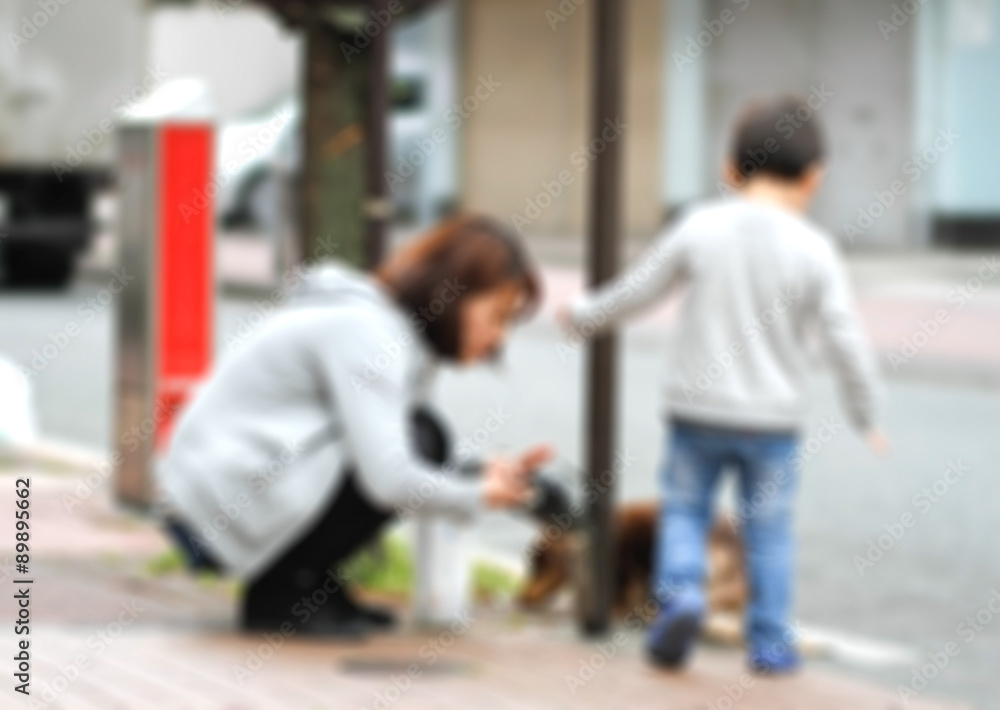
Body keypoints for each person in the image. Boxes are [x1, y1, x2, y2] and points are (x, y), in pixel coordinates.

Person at [561, 96, 889, 673]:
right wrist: (867, 414)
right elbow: (846, 342)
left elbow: (638, 290)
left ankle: (681, 596)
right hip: (773, 422)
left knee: (685, 511)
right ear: (814, 179)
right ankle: (768, 642)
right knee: (769, 531)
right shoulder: (816, 249)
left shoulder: (700, 226)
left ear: (730, 169)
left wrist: (583, 315)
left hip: (696, 412)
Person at [154, 215, 553, 637]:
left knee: (424, 434)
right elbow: (389, 477)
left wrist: (480, 473)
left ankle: (310, 583)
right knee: (421, 440)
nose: (500, 337)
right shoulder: (370, 335)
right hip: (215, 508)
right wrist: (476, 496)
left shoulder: (386, 329)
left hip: (225, 490)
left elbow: (384, 446)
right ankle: (282, 593)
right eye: (496, 315)